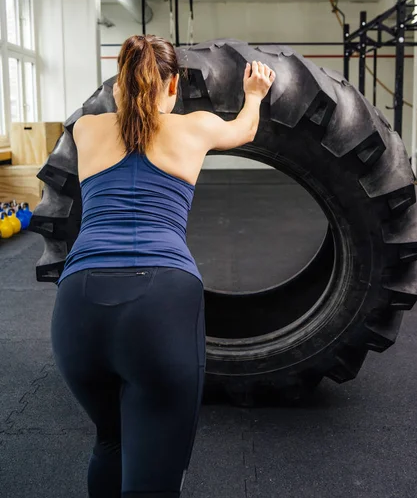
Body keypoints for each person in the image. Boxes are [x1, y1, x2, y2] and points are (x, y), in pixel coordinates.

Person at [51, 34, 276, 498]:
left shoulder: (86, 130)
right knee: (154, 477)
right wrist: (253, 95)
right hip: (160, 301)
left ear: (117, 86)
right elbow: (245, 130)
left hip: (77, 303)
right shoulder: (197, 127)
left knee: (110, 442)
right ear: (172, 86)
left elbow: (124, 119)